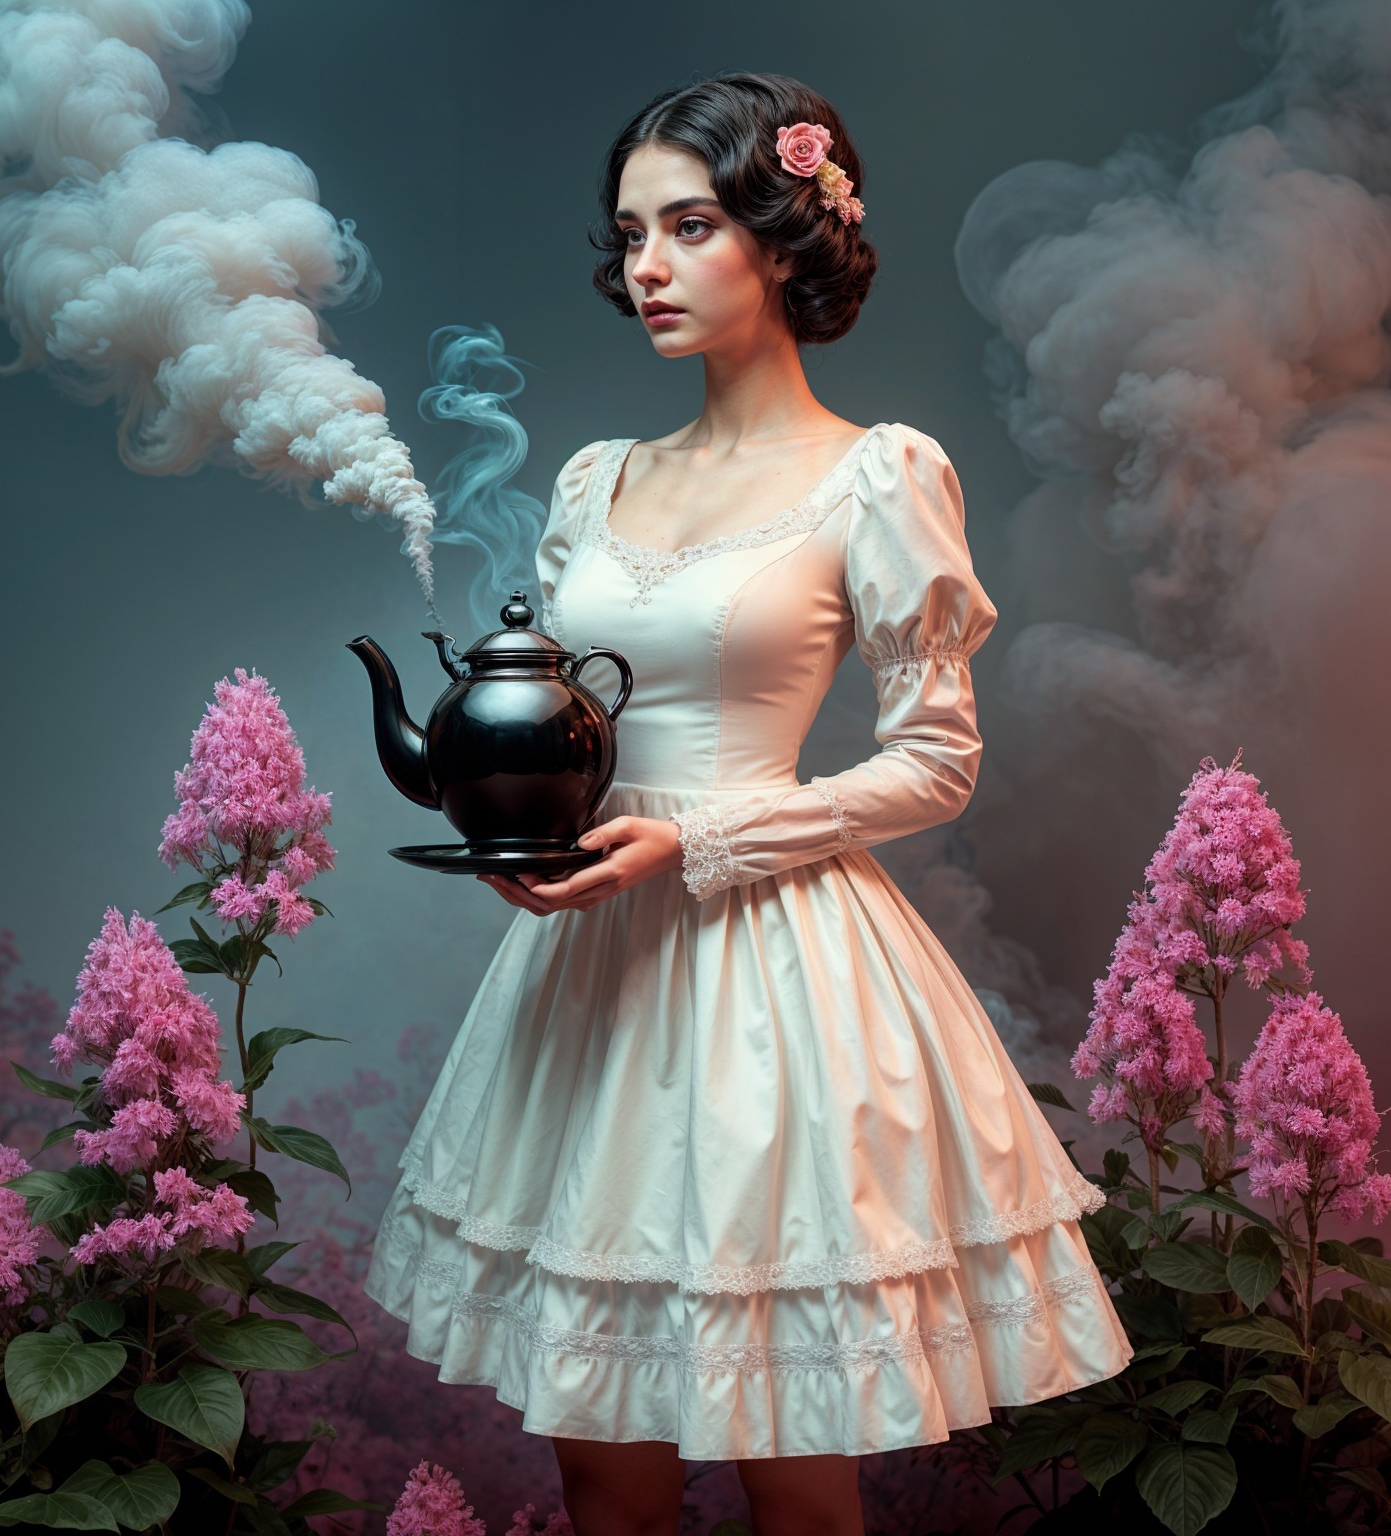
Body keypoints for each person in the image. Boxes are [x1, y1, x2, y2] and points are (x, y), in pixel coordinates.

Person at [362, 70, 1133, 1536]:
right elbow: (574, 727)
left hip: (774, 976)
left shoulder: (879, 473)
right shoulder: (597, 481)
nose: (646, 264)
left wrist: (700, 837)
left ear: (786, 237)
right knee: (601, 1458)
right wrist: (511, 823)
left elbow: (936, 761)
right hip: (588, 972)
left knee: (793, 1451)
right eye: (630, 232)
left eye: (691, 223)